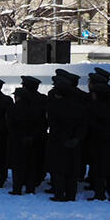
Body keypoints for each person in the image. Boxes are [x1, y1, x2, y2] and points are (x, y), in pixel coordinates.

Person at [46, 70, 88, 202]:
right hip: (75, 143)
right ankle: (71, 195)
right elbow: (83, 125)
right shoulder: (80, 107)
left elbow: (54, 124)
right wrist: (76, 139)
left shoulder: (55, 107)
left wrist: (64, 139)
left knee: (59, 169)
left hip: (59, 141)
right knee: (72, 169)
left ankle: (59, 194)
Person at [6, 85, 41, 196]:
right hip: (32, 141)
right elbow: (39, 126)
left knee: (18, 166)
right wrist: (32, 137)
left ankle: (17, 188)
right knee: (31, 165)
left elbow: (10, 126)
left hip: (17, 141)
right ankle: (30, 188)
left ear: (18, 97)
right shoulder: (35, 109)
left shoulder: (12, 108)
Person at [86, 70, 110, 201]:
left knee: (100, 167)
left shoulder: (96, 107)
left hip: (99, 140)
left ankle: (99, 193)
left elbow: (93, 124)